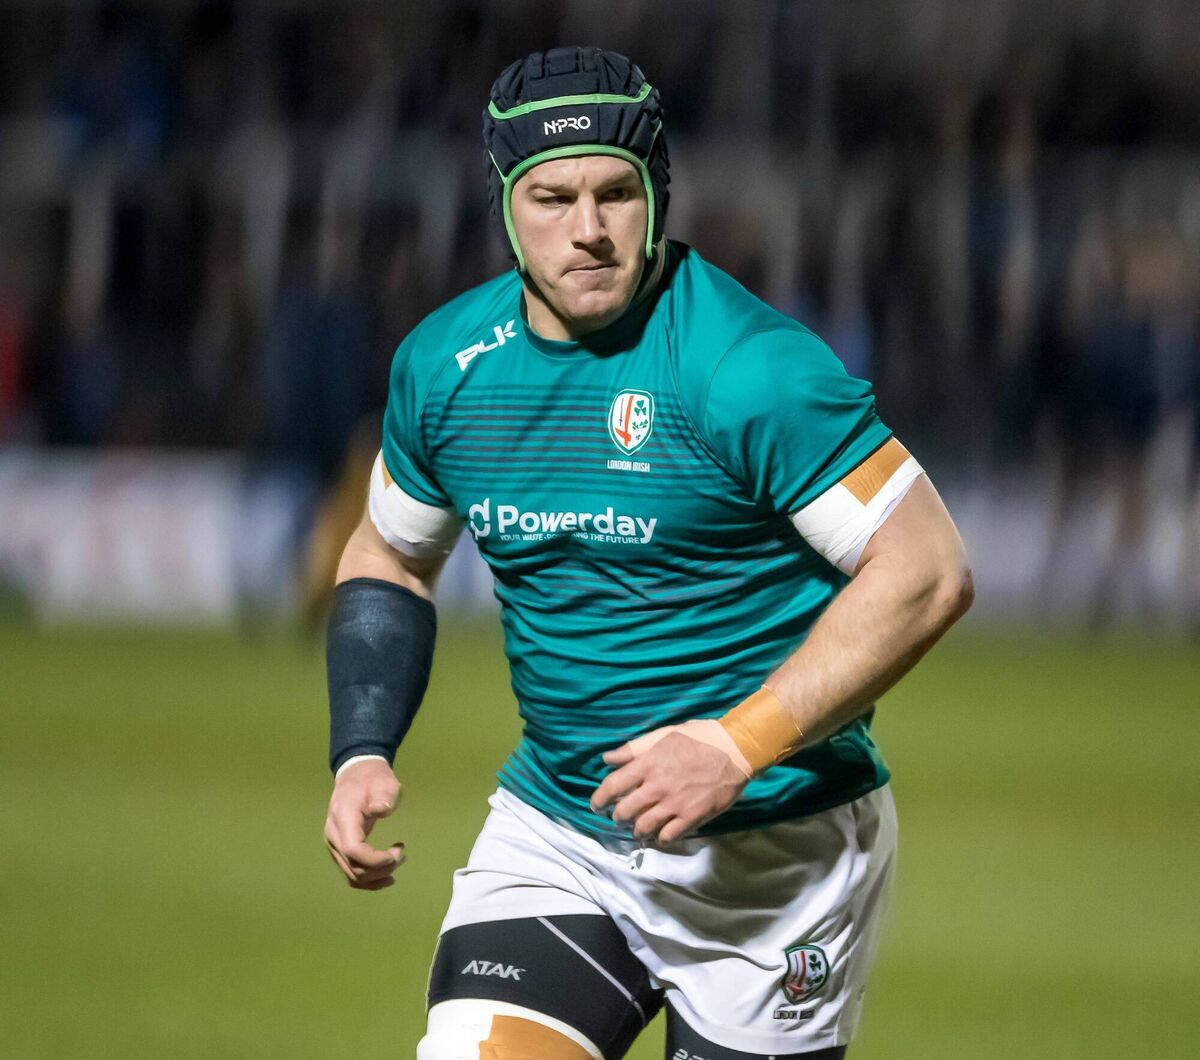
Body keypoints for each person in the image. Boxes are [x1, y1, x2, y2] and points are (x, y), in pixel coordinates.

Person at [323, 47, 973, 1060]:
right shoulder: (446, 370)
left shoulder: (744, 368)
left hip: (773, 863)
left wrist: (734, 743)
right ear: (504, 205)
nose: (587, 229)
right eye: (550, 197)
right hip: (562, 834)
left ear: (657, 194)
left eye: (616, 193)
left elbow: (927, 566)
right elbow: (389, 553)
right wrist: (363, 742)